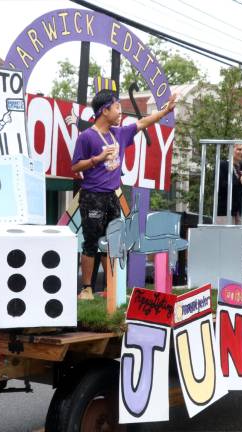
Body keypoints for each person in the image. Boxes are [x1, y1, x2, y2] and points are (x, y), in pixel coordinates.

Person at [72, 89, 177, 300]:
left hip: (112, 195)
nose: (120, 111)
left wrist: (166, 109)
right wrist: (98, 158)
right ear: (104, 110)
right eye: (117, 107)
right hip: (92, 196)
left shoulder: (118, 133)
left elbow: (144, 122)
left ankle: (111, 288)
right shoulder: (87, 137)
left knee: (111, 242)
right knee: (91, 242)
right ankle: (86, 289)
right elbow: (75, 166)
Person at [217, 143, 242, 225]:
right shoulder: (223, 165)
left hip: (241, 210)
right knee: (227, 236)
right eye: (239, 149)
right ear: (231, 150)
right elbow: (220, 185)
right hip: (225, 211)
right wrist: (239, 181)